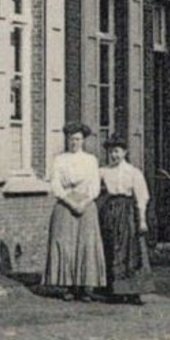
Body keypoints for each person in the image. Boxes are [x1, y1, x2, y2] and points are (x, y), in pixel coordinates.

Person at [44, 124, 107, 299]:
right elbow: (55, 184)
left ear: (83, 140)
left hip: (86, 205)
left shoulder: (91, 160)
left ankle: (85, 287)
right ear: (67, 139)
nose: (74, 142)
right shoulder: (59, 160)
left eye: (78, 139)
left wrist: (84, 202)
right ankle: (68, 287)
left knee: (86, 243)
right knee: (65, 244)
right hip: (65, 204)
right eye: (71, 139)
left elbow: (95, 186)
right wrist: (70, 202)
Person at [97, 138, 154, 304]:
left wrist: (142, 220)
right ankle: (114, 290)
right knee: (111, 247)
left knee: (131, 249)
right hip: (110, 211)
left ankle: (133, 291)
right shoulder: (103, 171)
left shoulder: (134, 172)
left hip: (129, 212)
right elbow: (92, 188)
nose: (114, 155)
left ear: (125, 152)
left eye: (117, 151)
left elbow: (142, 197)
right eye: (111, 152)